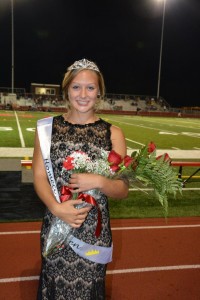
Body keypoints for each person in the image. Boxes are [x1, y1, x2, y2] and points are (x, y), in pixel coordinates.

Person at [33, 58, 129, 300]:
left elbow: (122, 189)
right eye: (76, 87)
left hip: (95, 233)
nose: (83, 94)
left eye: (90, 87)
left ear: (100, 92)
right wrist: (57, 208)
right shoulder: (47, 129)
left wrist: (99, 181)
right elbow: (38, 176)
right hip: (57, 227)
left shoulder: (113, 134)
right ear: (66, 90)